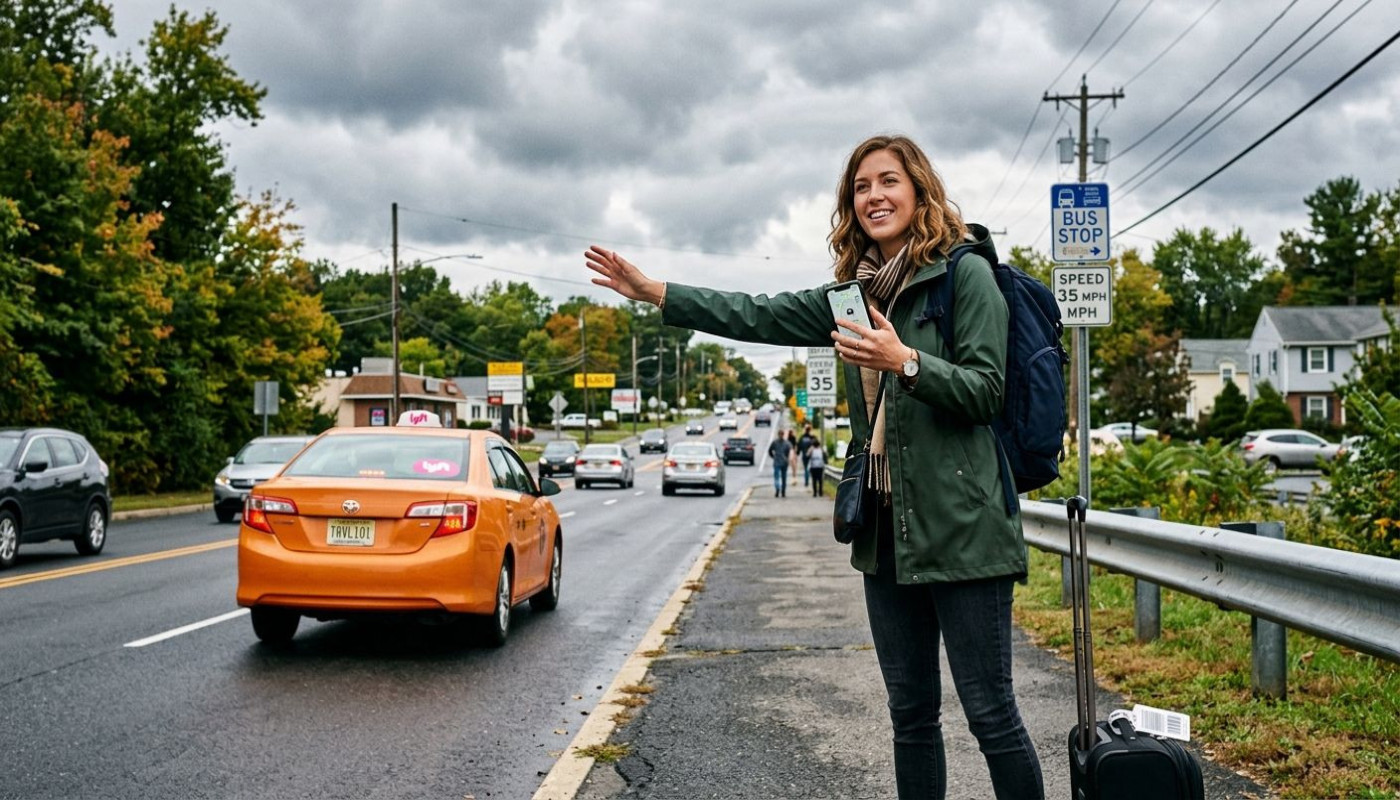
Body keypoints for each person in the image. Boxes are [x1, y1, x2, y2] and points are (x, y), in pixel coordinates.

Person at [585, 133, 1043, 800]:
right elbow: (757, 314)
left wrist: (904, 361)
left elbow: (986, 390)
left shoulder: (963, 274)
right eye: (861, 187)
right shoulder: (850, 298)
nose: (874, 196)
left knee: (991, 714)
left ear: (919, 191)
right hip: (886, 532)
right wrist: (657, 292)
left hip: (966, 530)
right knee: (911, 716)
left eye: (888, 181)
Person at [768, 432, 792, 497]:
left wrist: (773, 456)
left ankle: (778, 488)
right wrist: (787, 458)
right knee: (784, 477)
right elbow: (790, 452)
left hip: (777, 461)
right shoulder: (787, 443)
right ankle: (783, 491)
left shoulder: (775, 442)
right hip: (784, 461)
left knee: (777, 477)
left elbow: (770, 451)